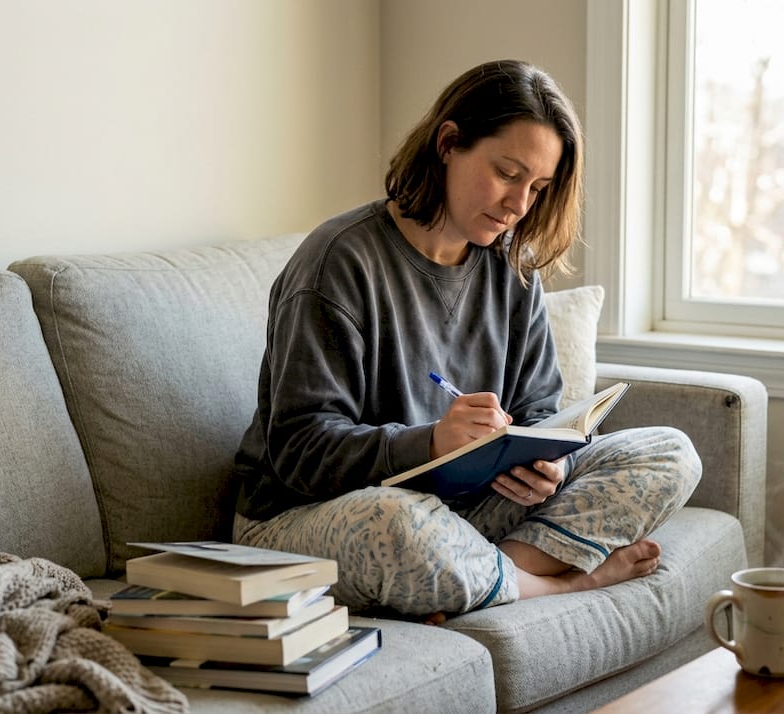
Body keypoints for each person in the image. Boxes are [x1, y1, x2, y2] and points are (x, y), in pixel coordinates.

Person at [232, 59, 700, 620]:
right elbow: (299, 451)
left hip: (458, 512)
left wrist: (546, 466)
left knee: (669, 452)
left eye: (538, 187)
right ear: (448, 143)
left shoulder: (514, 271)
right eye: (507, 173)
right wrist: (432, 442)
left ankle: (478, 574)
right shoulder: (339, 261)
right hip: (306, 516)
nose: (520, 205)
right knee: (399, 527)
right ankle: (559, 585)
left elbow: (538, 411)